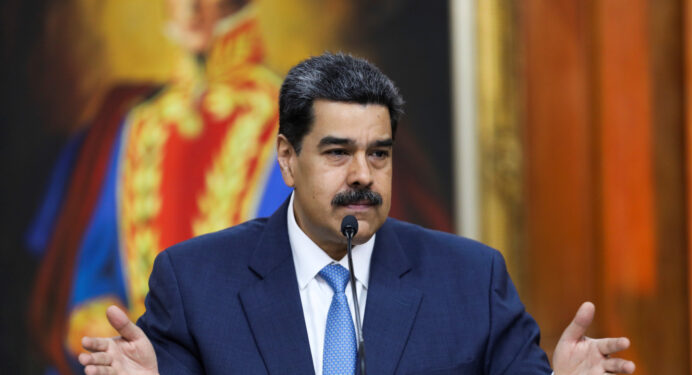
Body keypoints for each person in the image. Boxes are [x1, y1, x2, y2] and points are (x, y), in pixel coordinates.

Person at [77, 53, 636, 375]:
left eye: (379, 154)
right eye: (338, 152)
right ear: (288, 159)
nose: (363, 175)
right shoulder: (197, 283)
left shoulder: (470, 280)